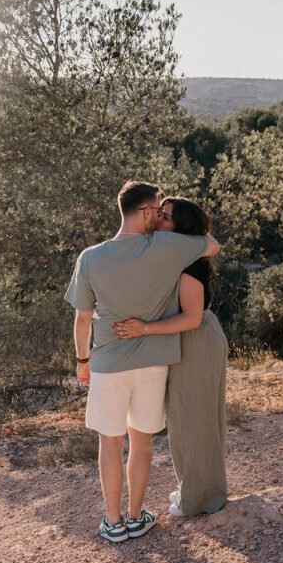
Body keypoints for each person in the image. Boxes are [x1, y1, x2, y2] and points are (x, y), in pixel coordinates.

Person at [65, 182, 220, 542]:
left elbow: (83, 318)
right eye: (157, 212)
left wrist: (81, 360)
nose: (158, 218)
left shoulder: (90, 257)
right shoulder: (165, 248)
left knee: (110, 443)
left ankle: (113, 522)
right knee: (142, 441)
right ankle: (136, 516)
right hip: (154, 361)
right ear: (147, 212)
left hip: (107, 363)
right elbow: (211, 244)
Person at [113, 197, 229, 517]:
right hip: (191, 340)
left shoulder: (189, 263)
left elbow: (191, 317)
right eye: (159, 214)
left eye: (165, 217)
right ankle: (199, 487)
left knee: (193, 420)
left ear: (180, 228)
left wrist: (143, 329)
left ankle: (199, 498)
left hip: (195, 340)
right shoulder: (175, 255)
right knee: (188, 418)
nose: (158, 221)